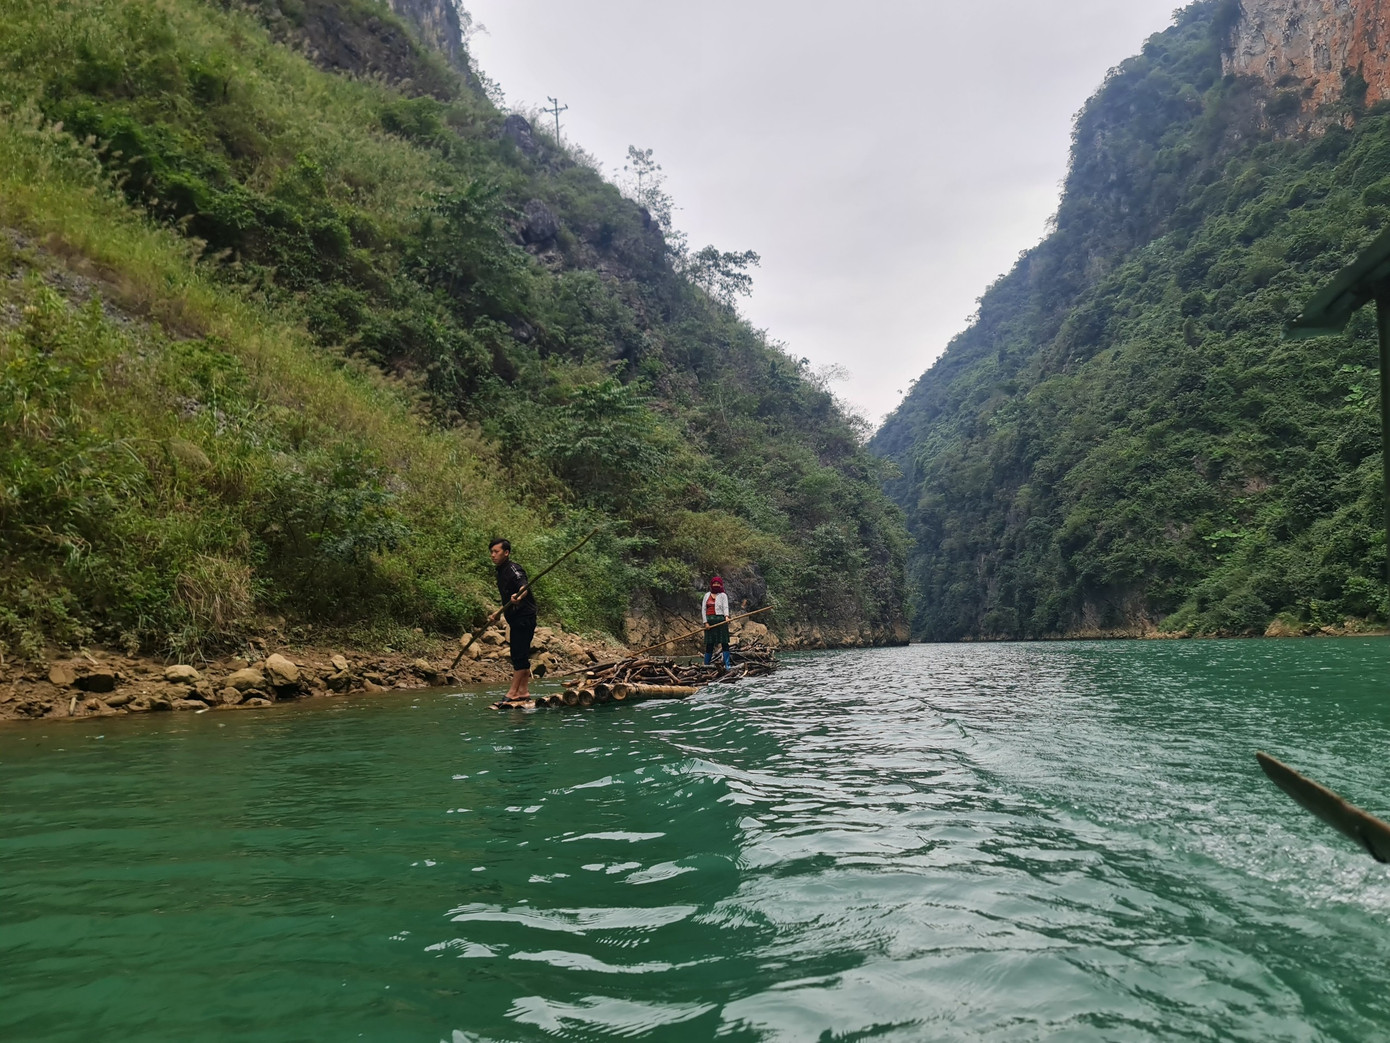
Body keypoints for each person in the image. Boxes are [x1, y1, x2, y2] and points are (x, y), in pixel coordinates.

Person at [490, 538, 537, 705]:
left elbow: (523, 587)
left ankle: (513, 692)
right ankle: (523, 691)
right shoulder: (501, 571)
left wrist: (519, 596)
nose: (493, 555)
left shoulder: (513, 569)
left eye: (496, 552)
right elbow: (507, 598)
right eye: (492, 552)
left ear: (506, 552)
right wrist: (498, 613)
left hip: (524, 618)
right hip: (516, 617)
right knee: (520, 654)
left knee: (518, 655)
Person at [701, 575, 732, 671]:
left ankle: (727, 665)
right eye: (714, 583)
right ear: (711, 584)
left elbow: (725, 607)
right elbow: (703, 609)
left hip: (721, 621)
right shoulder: (707, 595)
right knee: (709, 643)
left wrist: (726, 617)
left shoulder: (723, 595)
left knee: (724, 643)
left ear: (721, 584)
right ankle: (706, 665)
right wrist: (705, 622)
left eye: (718, 583)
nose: (716, 585)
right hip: (710, 623)